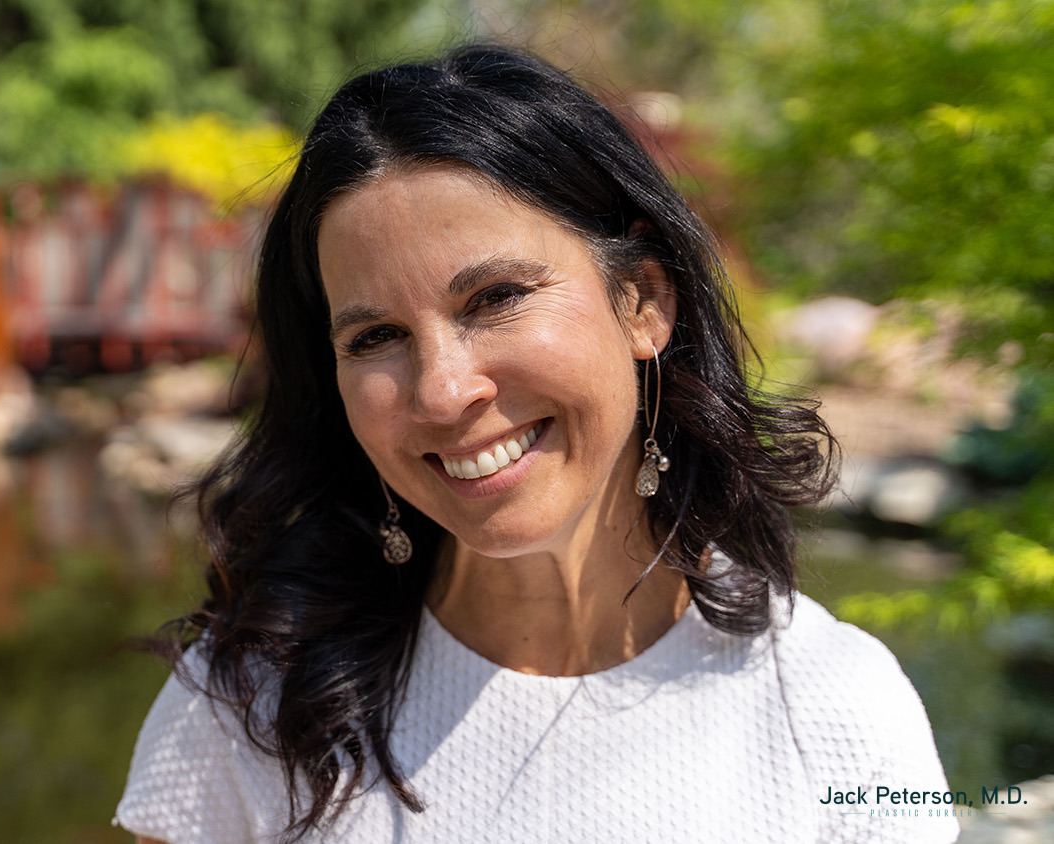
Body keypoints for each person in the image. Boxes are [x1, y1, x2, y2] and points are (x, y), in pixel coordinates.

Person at [115, 44, 959, 844]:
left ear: (643, 302)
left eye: (495, 298)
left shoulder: (838, 710)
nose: (444, 391)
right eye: (375, 337)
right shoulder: (249, 708)